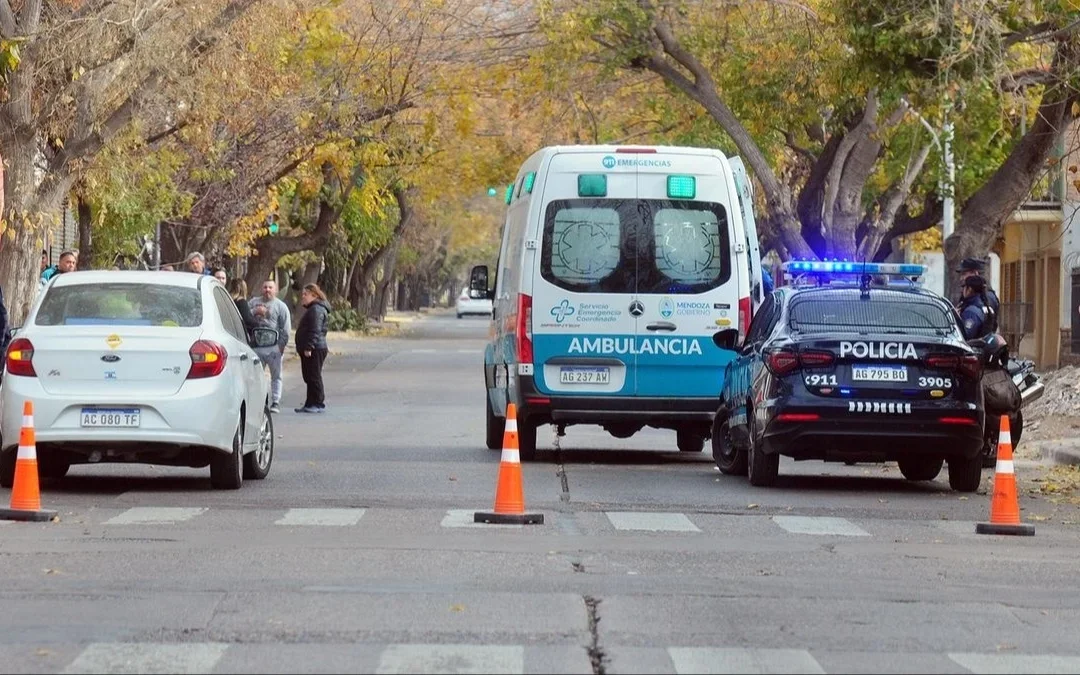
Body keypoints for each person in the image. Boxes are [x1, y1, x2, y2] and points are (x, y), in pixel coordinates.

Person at [248, 280, 291, 413]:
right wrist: (255, 311)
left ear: (276, 290)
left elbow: (286, 328)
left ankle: (275, 402)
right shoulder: (253, 302)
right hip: (256, 346)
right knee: (256, 376)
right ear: (262, 289)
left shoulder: (281, 306)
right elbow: (244, 317)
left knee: (276, 376)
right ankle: (261, 400)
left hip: (273, 348)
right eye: (265, 287)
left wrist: (281, 346)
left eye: (270, 287)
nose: (267, 290)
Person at [294, 283, 330, 414]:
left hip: (315, 348)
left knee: (313, 376)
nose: (303, 297)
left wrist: (309, 346)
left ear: (314, 295)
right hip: (311, 347)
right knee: (309, 376)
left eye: (305, 294)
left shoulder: (316, 310)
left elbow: (315, 330)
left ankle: (318, 402)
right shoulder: (313, 309)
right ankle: (310, 403)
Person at [959, 275, 997, 340]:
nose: (962, 291)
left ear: (969, 289)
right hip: (983, 347)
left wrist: (957, 319)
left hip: (973, 348)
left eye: (964, 287)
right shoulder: (986, 306)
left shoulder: (971, 311)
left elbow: (964, 335)